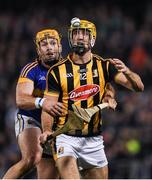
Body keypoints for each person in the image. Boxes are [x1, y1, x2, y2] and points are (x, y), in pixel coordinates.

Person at [40, 17, 144, 179]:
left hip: (94, 141)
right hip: (66, 139)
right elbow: (49, 106)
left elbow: (138, 87)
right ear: (70, 37)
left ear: (92, 39)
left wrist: (128, 72)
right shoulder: (56, 71)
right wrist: (46, 129)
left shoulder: (105, 66)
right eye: (76, 33)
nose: (80, 37)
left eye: (84, 34)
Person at [3, 29, 66, 179]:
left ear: (60, 47)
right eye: (44, 44)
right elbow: (21, 100)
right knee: (33, 157)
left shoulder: (70, 69)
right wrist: (42, 102)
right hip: (30, 118)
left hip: (55, 125)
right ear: (38, 50)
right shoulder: (31, 70)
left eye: (53, 43)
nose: (49, 47)